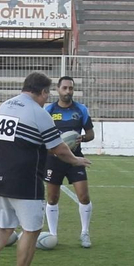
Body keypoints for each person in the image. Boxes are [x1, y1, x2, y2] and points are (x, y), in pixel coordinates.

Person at [0, 71, 89, 266]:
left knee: (3, 226)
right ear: (43, 92)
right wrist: (75, 160)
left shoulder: (4, 106)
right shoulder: (38, 113)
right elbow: (58, 148)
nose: (47, 99)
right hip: (24, 178)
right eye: (47, 94)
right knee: (31, 229)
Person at [43, 75, 95, 248]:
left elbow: (90, 134)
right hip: (53, 159)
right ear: (58, 89)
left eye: (71, 88)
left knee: (84, 196)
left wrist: (81, 138)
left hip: (75, 159)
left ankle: (85, 233)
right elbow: (42, 135)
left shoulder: (81, 110)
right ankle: (52, 234)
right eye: (64, 88)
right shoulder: (49, 110)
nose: (68, 91)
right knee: (52, 198)